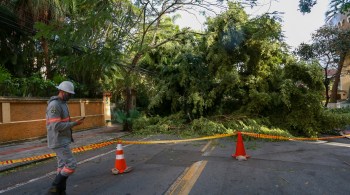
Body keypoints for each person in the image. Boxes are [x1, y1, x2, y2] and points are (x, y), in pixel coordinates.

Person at [46, 81, 84, 194]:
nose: (70, 96)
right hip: (58, 140)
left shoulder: (63, 103)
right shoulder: (54, 105)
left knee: (62, 165)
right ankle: (53, 190)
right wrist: (74, 124)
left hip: (63, 139)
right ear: (62, 92)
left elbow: (64, 121)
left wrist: (72, 123)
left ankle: (61, 191)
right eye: (69, 94)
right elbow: (56, 126)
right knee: (71, 165)